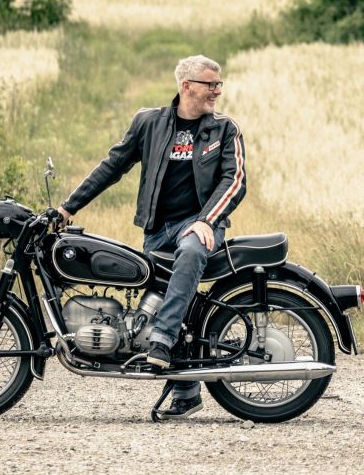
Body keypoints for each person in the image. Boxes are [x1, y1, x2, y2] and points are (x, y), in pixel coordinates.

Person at [58, 54, 246, 419]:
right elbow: (112, 166)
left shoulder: (224, 129)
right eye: (211, 84)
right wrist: (68, 208)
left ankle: (161, 343)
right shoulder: (149, 123)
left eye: (219, 84)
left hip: (200, 225)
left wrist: (207, 220)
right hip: (158, 230)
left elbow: (234, 180)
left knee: (190, 256)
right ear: (186, 85)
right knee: (162, 302)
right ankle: (187, 392)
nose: (218, 91)